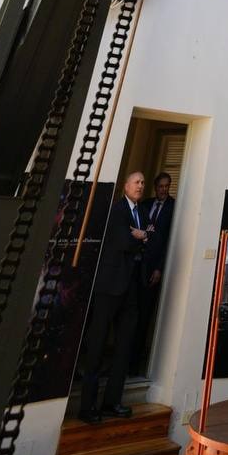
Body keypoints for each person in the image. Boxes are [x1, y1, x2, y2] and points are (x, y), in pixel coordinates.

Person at [78, 170, 148, 424]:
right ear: (125, 186)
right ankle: (87, 406)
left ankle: (112, 402)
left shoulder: (141, 212)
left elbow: (142, 241)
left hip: (131, 288)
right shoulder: (117, 210)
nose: (140, 186)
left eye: (143, 183)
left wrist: (140, 235)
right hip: (109, 286)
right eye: (136, 182)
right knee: (97, 345)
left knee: (123, 346)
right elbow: (124, 242)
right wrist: (141, 237)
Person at [130, 171, 176, 372]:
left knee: (145, 314)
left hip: (154, 267)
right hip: (137, 264)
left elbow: (169, 240)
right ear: (155, 187)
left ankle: (136, 362)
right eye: (160, 186)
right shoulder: (145, 204)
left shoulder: (174, 207)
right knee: (131, 312)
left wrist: (159, 268)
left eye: (167, 186)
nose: (164, 190)